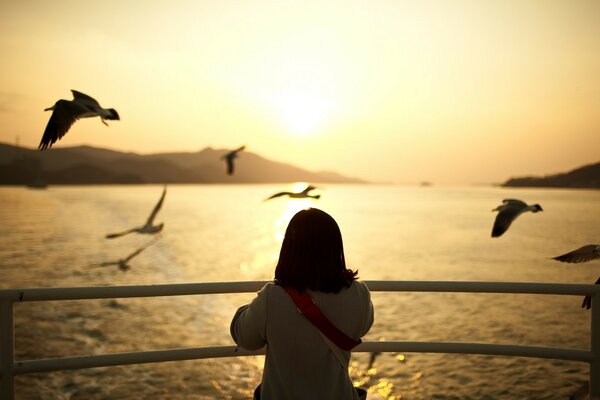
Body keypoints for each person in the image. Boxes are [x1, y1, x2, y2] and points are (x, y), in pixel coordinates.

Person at [230, 208, 374, 399]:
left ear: (289, 248)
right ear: (335, 248)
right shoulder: (360, 294)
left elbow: (246, 338)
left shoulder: (272, 297)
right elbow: (360, 329)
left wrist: (245, 311)